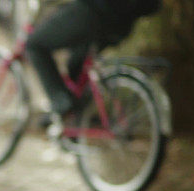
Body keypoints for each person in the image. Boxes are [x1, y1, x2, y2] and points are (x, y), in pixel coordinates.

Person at [26, 0, 162, 118]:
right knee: (76, 64)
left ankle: (60, 102)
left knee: (34, 44)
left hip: (92, 12)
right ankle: (76, 122)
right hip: (121, 25)